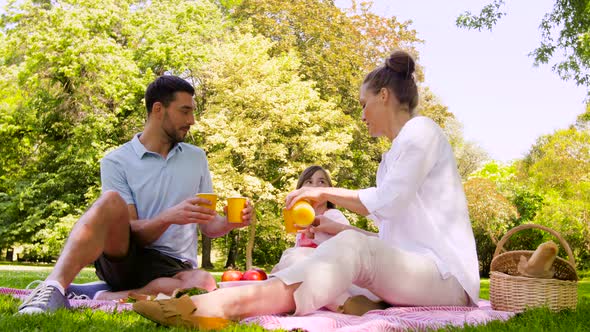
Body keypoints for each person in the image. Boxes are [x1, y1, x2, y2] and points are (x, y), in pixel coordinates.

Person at [132, 51, 480, 328]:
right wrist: (332, 226)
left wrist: (321, 195)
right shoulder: (391, 157)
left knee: (353, 248)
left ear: (385, 96)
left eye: (363, 104)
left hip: (445, 278)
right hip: (411, 273)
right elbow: (386, 222)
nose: (362, 115)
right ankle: (356, 303)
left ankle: (220, 307)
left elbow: (388, 201)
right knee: (303, 256)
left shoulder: (422, 131)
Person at [18, 75, 253, 314]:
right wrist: (168, 217)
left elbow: (208, 225)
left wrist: (230, 222)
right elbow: (130, 231)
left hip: (174, 265)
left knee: (204, 284)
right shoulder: (116, 161)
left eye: (192, 112)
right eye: (184, 111)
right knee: (110, 201)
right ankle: (52, 288)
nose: (191, 120)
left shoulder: (196, 157)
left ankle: (99, 294)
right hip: (126, 257)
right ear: (158, 109)